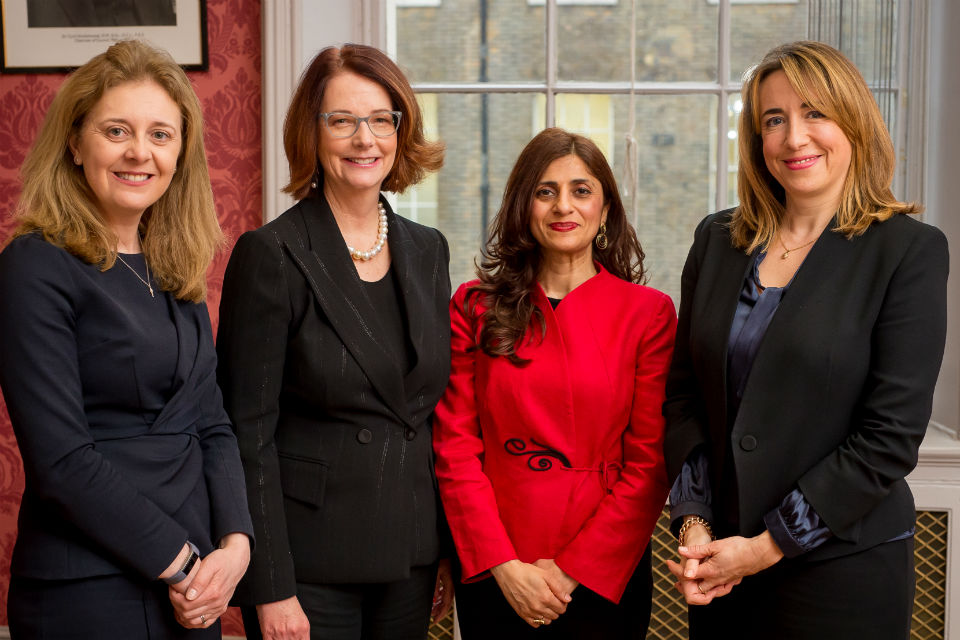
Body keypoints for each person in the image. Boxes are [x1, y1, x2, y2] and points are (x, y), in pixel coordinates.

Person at [663, 40, 948, 640]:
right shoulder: (717, 241)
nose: (795, 138)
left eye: (815, 112)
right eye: (774, 120)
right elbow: (684, 395)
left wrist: (767, 546)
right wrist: (695, 526)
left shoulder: (908, 252)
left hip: (842, 570)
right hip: (721, 570)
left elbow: (889, 436)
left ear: (854, 120)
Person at [0, 40, 253, 638]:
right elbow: (61, 461)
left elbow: (212, 424)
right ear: (75, 141)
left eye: (161, 135)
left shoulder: (173, 267)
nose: (140, 152)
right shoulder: (33, 267)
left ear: (181, 151)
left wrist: (235, 548)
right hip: (88, 590)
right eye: (117, 130)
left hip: (194, 596)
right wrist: (188, 568)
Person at [216, 43, 453, 640]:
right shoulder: (271, 254)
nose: (364, 139)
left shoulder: (428, 249)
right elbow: (247, 433)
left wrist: (447, 548)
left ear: (401, 129)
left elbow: (431, 416)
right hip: (310, 564)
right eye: (342, 121)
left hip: (412, 555)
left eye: (381, 119)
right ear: (312, 134)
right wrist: (269, 587)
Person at [433, 128, 676, 639]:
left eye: (581, 190)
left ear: (605, 209)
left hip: (602, 567)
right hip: (499, 567)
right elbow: (454, 447)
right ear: (524, 206)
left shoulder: (648, 314)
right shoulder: (474, 307)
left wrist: (571, 571)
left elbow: (649, 463)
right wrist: (502, 564)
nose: (563, 206)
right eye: (545, 191)